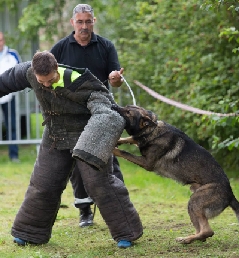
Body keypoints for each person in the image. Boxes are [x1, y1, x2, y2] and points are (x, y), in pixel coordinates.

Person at [0, 50, 143, 248]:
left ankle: (127, 232)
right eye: (42, 82)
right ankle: (29, 232)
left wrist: (94, 142)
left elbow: (106, 109)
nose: (46, 85)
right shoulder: (28, 72)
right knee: (43, 184)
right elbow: (4, 81)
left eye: (50, 80)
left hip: (88, 134)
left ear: (56, 68)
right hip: (55, 135)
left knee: (99, 185)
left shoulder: (81, 81)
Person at [50, 3, 125, 227]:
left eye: (88, 21)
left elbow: (117, 80)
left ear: (94, 21)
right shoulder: (60, 48)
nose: (84, 26)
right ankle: (85, 211)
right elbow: (46, 77)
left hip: (100, 112)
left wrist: (115, 80)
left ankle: (118, 208)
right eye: (80, 22)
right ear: (72, 23)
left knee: (109, 159)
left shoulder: (106, 46)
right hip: (71, 113)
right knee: (78, 160)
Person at [0, 31, 21, 162]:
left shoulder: (12, 54)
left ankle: (14, 155)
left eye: (1, 40)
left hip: (9, 96)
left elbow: (19, 72)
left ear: (4, 40)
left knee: (11, 125)